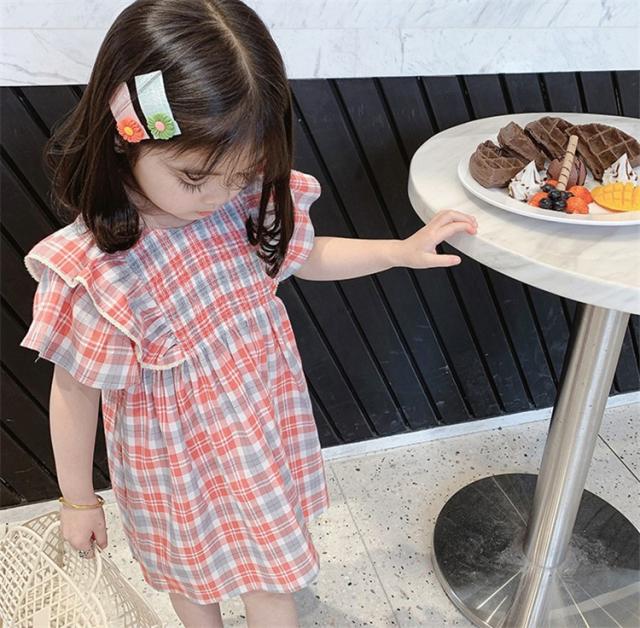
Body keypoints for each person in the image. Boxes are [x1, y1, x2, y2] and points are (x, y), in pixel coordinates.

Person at [18, 1, 478, 626]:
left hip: (255, 433)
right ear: (126, 136)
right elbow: (75, 390)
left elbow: (306, 256)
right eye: (194, 177)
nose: (217, 196)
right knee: (190, 577)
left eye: (238, 176)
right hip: (171, 465)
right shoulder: (97, 267)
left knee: (270, 578)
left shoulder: (242, 201)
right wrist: (77, 500)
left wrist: (397, 251)